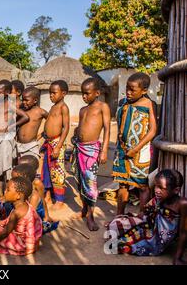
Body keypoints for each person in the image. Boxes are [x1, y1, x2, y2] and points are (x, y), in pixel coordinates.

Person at [106, 169, 187, 264]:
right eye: (156, 186)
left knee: (117, 245)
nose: (156, 190)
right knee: (115, 225)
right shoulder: (160, 198)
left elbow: (183, 232)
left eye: (161, 188)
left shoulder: (182, 204)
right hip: (150, 226)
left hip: (157, 242)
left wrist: (177, 258)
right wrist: (132, 220)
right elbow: (145, 212)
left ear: (176, 190)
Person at [112, 73, 157, 216]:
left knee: (142, 186)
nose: (128, 92)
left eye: (132, 89)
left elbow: (152, 131)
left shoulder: (148, 104)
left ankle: (142, 218)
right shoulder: (123, 102)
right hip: (122, 150)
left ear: (144, 91)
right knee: (122, 183)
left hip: (139, 152)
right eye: (127, 88)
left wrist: (136, 149)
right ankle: (119, 215)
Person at [71, 78, 111, 231]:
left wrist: (104, 150)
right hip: (79, 148)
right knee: (80, 181)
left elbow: (107, 129)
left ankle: (90, 216)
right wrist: (75, 136)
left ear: (97, 93)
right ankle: (84, 209)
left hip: (92, 150)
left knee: (91, 183)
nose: (84, 96)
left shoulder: (103, 107)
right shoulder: (83, 110)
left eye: (87, 93)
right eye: (82, 93)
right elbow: (81, 127)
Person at [0, 80, 29, 197]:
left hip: (4, 140)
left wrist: (11, 125)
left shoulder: (9, 105)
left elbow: (25, 116)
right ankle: (0, 190)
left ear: (6, 92)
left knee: (4, 168)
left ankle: (2, 191)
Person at [40, 80, 70, 210]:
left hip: (57, 143)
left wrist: (58, 146)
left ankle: (59, 200)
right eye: (50, 93)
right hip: (49, 143)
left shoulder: (63, 107)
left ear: (63, 93)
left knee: (57, 171)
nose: (51, 95)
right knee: (47, 170)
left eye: (54, 93)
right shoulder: (53, 107)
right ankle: (47, 195)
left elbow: (66, 127)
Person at [16, 86, 48, 160]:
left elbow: (51, 122)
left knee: (30, 167)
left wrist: (42, 134)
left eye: (26, 100)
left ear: (35, 100)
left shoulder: (40, 112)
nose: (24, 102)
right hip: (18, 145)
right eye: (23, 99)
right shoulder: (21, 111)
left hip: (31, 146)